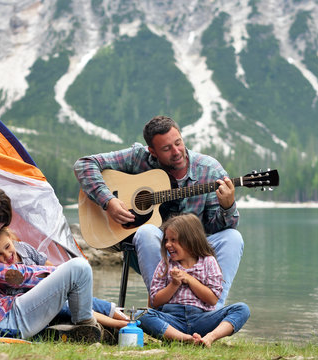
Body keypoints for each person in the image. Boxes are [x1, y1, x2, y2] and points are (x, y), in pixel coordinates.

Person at [74, 115, 243, 308]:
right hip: (154, 250)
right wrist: (109, 201)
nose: (177, 152)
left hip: (194, 254)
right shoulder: (138, 158)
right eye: (166, 148)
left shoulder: (210, 171)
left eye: (178, 143)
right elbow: (84, 165)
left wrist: (227, 206)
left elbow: (219, 227)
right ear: (152, 151)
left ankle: (213, 310)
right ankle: (162, 309)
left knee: (233, 237)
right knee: (146, 231)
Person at [0, 185, 102, 341]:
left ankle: (85, 325)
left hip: (6, 312)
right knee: (78, 268)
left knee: (75, 284)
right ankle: (86, 325)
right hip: (2, 322)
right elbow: (10, 275)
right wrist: (57, 273)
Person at [138, 214, 250, 347]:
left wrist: (189, 279)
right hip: (172, 319)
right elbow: (155, 301)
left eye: (174, 240)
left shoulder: (209, 261)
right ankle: (184, 338)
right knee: (141, 314)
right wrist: (174, 284)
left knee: (242, 309)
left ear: (190, 240)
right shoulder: (165, 264)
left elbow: (213, 299)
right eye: (166, 240)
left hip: (201, 318)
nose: (168, 244)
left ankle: (210, 337)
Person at [0, 227, 129, 329]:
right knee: (67, 305)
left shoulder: (23, 248)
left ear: (11, 238)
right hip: (38, 305)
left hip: (52, 291)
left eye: (7, 246)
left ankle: (126, 319)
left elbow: (48, 265)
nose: (7, 255)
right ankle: (118, 325)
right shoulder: (1, 272)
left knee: (88, 300)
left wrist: (61, 283)